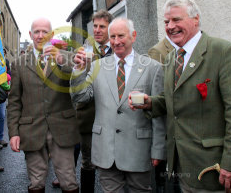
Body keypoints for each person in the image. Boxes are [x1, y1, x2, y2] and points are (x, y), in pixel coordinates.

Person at [130, 0, 231, 192]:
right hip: (179, 163)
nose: (170, 26)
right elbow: (175, 99)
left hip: (212, 167)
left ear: (195, 19)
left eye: (176, 20)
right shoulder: (172, 58)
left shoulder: (223, 51)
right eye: (166, 22)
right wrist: (150, 102)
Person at [71, 17, 166, 192]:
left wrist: (158, 149)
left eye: (121, 36)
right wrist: (78, 70)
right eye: (112, 36)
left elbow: (158, 112)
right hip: (106, 151)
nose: (116, 41)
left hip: (138, 150)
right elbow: (81, 98)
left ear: (133, 36)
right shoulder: (97, 66)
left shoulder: (153, 68)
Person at [7, 18, 80, 193]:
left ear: (52, 34)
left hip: (62, 129)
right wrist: (13, 133)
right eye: (37, 32)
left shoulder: (67, 58)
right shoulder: (18, 64)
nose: (41, 35)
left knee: (68, 181)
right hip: (32, 130)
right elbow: (14, 101)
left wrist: (62, 61)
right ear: (30, 35)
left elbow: (77, 84)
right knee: (36, 182)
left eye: (45, 31)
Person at [75, 9, 113, 192]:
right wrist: (77, 66)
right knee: (87, 162)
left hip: (112, 116)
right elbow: (76, 82)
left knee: (113, 163)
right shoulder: (85, 48)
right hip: (88, 115)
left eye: (102, 26)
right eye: (95, 26)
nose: (97, 30)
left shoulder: (117, 47)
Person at [148, 37, 178, 193]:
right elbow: (159, 91)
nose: (171, 26)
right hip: (168, 127)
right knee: (165, 180)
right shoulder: (158, 51)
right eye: (167, 21)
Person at [0, 48, 11, 149]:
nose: (3, 54)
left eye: (4, 53)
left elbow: (9, 75)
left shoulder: (6, 62)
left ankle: (0, 137)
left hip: (2, 94)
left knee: (2, 116)